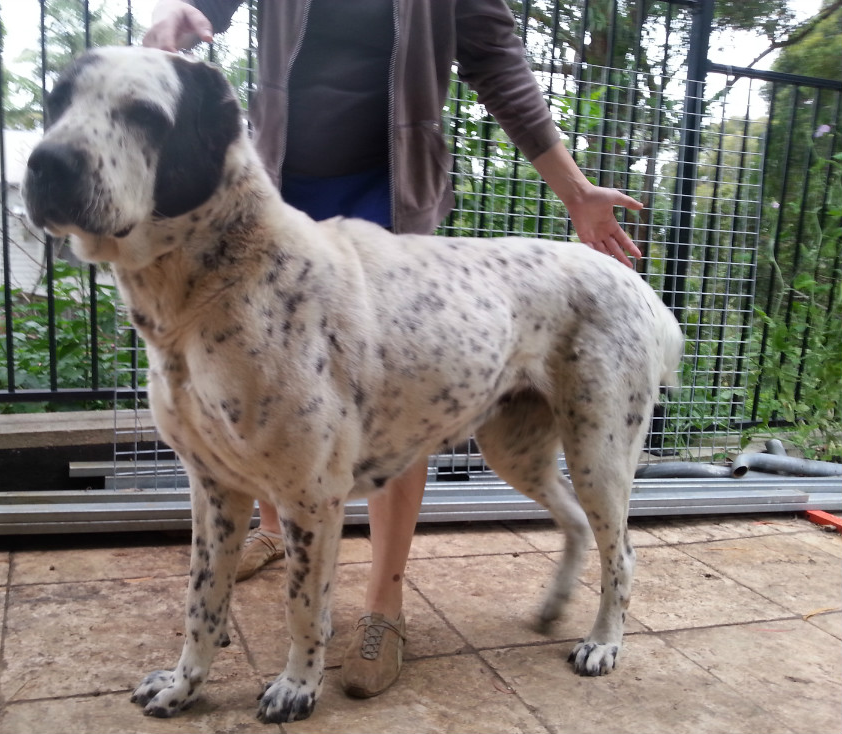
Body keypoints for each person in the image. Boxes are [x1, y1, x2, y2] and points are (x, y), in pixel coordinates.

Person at [144, 0, 643, 700]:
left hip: (387, 188)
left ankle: (383, 605)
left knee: (392, 400)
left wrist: (575, 190)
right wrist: (182, 12)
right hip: (275, 184)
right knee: (257, 389)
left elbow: (497, 65)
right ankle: (271, 528)